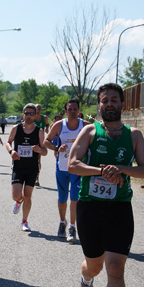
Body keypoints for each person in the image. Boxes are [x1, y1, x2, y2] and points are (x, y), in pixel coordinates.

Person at [68, 83, 144, 287]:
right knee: (95, 264)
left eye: (114, 99)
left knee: (115, 268)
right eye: (105, 100)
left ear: (123, 104)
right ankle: (86, 277)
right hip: (90, 207)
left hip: (119, 209)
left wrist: (122, 169)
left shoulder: (134, 135)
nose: (110, 104)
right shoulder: (90, 131)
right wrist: (101, 171)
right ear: (99, 105)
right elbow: (73, 165)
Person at [44, 99, 90, 243]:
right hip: (62, 168)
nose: (72, 111)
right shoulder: (59, 125)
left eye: (74, 109)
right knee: (62, 199)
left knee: (75, 199)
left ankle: (72, 227)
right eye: (69, 109)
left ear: (78, 110)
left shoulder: (86, 126)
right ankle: (62, 222)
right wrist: (57, 148)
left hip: (78, 168)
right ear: (66, 111)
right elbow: (46, 141)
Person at [6, 103, 47, 232]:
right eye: (26, 113)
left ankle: (24, 221)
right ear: (23, 114)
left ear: (35, 115)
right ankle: (18, 201)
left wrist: (39, 149)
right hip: (18, 167)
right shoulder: (16, 128)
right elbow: (8, 142)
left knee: (28, 196)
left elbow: (45, 151)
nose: (28, 116)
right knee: (16, 195)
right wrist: (11, 151)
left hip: (32, 168)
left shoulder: (39, 131)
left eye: (31, 114)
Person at [33, 103, 50, 186]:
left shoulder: (44, 118)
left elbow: (47, 124)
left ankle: (37, 178)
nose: (38, 110)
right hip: (31, 140)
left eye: (40, 109)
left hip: (40, 141)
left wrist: (47, 128)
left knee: (38, 160)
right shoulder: (32, 117)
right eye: (37, 108)